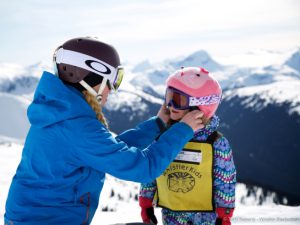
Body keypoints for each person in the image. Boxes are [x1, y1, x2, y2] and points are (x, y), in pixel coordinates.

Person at [4, 37, 205, 225]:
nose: (112, 89)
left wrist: (157, 124)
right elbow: (144, 168)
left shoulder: (62, 113)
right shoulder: (76, 126)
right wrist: (183, 129)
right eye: (111, 81)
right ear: (88, 77)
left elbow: (110, 151)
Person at [139, 67, 236, 225]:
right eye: (168, 97)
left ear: (200, 106)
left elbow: (225, 181)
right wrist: (146, 202)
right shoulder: (163, 136)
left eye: (177, 100)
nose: (169, 105)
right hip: (171, 215)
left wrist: (224, 214)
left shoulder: (215, 143)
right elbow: (151, 168)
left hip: (205, 218)